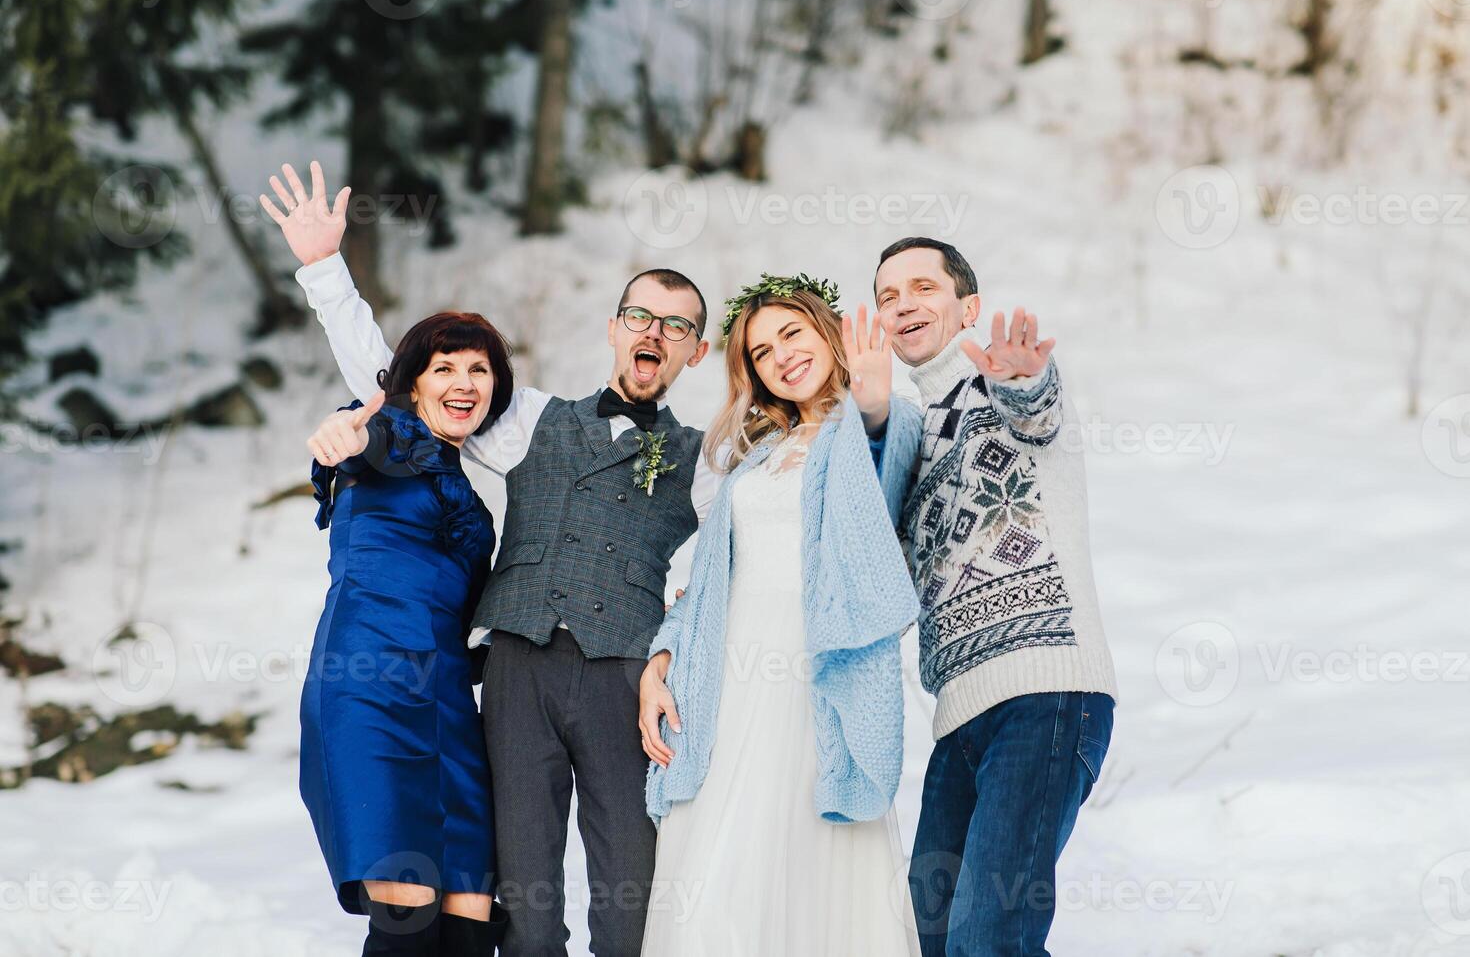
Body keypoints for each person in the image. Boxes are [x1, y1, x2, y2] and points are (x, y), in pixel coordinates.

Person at [264, 160, 719, 955]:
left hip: (620, 674)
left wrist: (677, 638)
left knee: (628, 892)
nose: (653, 332)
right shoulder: (531, 420)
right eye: (640, 315)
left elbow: (747, 542)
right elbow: (398, 386)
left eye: (675, 324)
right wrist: (324, 273)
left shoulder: (703, 459)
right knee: (521, 899)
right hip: (513, 672)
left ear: (698, 350)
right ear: (613, 328)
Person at [637, 274, 923, 956]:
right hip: (723, 685)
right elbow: (709, 581)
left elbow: (880, 480)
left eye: (791, 333)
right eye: (762, 352)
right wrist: (661, 660)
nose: (782, 356)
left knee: (797, 870)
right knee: (709, 880)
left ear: (826, 332)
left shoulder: (872, 423)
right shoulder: (753, 459)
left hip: (810, 677)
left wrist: (874, 400)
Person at [873, 236, 1119, 957]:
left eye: (922, 286)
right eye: (888, 296)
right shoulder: (905, 440)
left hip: (1047, 696)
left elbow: (1034, 408)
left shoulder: (1000, 388)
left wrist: (1023, 382)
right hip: (959, 720)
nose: (903, 304)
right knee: (935, 934)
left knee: (991, 939)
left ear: (967, 306)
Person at [300, 310, 515, 956]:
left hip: (450, 705)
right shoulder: (387, 438)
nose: (464, 381)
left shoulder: (474, 506)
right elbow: (350, 440)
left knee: (471, 911)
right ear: (412, 385)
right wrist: (341, 436)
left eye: (479, 369)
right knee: (408, 913)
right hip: (370, 690)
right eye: (443, 367)